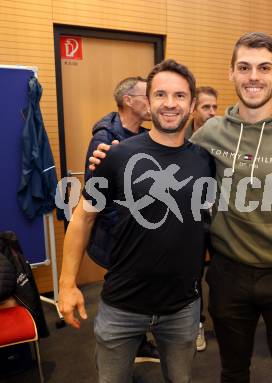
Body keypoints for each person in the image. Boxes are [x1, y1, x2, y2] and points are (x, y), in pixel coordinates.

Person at [90, 32, 272, 382]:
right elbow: (168, 153)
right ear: (231, 73)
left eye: (263, 68)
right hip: (228, 276)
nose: (254, 76)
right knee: (233, 371)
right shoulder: (211, 133)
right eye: (244, 67)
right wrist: (111, 153)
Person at [59, 59, 214, 383]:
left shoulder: (204, 161)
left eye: (179, 96)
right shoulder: (118, 155)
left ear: (192, 104)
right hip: (122, 304)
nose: (170, 103)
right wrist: (67, 284)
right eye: (160, 94)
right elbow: (84, 217)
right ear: (149, 101)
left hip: (183, 307)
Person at [84, 76, 160, 363]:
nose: (154, 103)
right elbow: (97, 199)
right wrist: (132, 226)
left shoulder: (142, 135)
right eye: (148, 95)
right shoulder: (104, 140)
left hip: (137, 235)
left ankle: (137, 343)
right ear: (129, 100)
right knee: (122, 294)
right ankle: (122, 348)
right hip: (118, 236)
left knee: (136, 289)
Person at [185, 85, 219, 352]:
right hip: (191, 220)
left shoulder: (220, 137)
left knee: (221, 274)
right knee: (193, 275)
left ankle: (225, 321)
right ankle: (197, 325)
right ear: (194, 108)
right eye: (206, 107)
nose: (212, 112)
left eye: (215, 107)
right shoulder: (182, 139)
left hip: (218, 217)